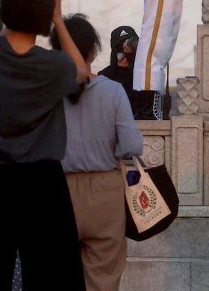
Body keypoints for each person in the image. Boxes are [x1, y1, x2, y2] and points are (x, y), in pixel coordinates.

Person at [0, 0, 90, 291]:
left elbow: (1, 37)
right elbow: (82, 71)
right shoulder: (53, 66)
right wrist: (58, 18)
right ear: (44, 14)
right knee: (49, 275)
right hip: (40, 178)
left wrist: (17, 3)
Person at [53, 15, 145, 291]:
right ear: (93, 52)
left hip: (57, 189)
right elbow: (131, 145)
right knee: (102, 280)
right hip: (106, 193)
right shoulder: (113, 91)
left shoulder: (46, 92)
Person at [98, 25, 146, 119]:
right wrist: (121, 71)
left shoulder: (146, 74)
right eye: (120, 47)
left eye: (129, 45)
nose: (125, 51)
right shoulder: (105, 76)